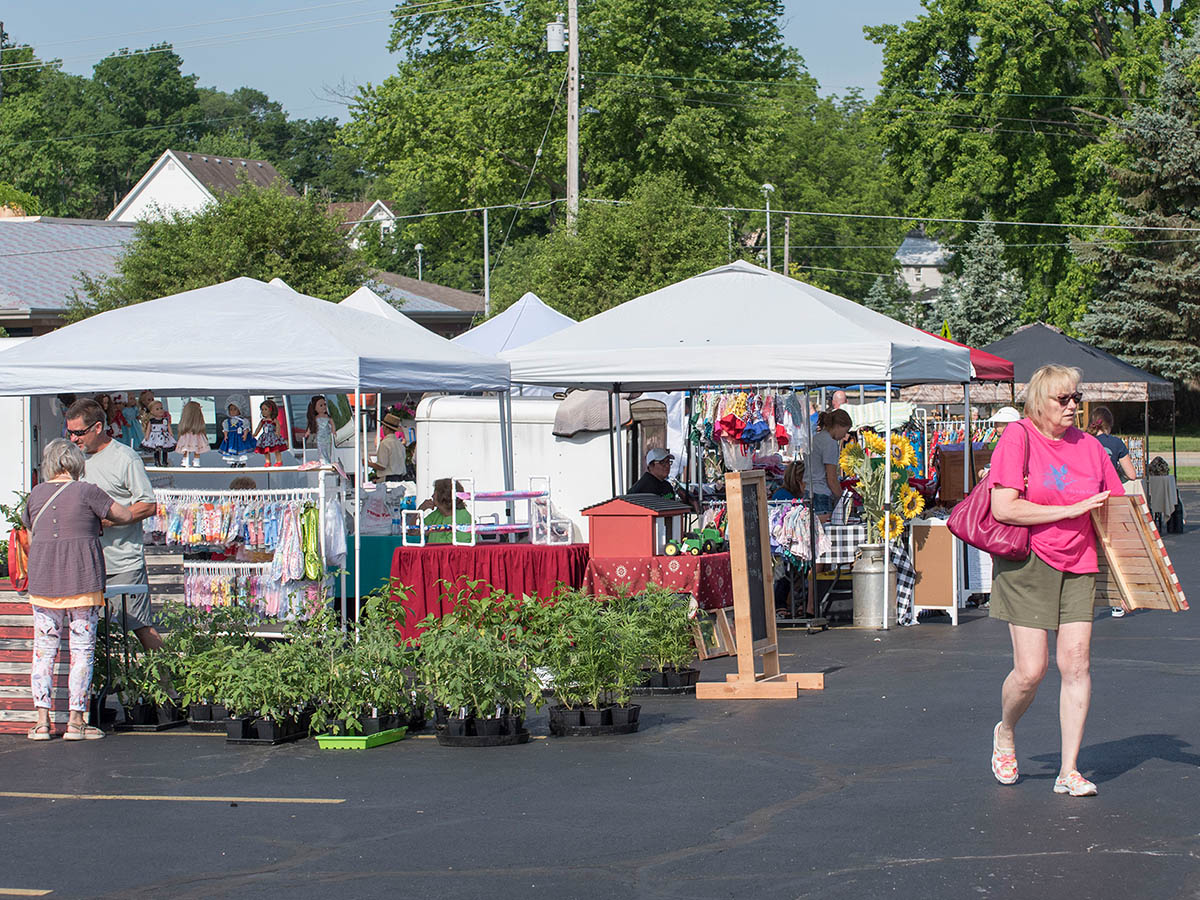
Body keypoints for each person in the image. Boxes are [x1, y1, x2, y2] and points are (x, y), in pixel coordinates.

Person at [987, 364, 1122, 797]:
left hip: (1079, 561)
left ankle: (1069, 770)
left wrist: (1139, 574)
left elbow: (1118, 504)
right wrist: (1068, 511)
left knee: (1077, 663)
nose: (1072, 407)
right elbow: (1004, 507)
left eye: (1076, 399)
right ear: (1038, 401)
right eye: (1062, 399)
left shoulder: (1091, 447)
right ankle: (1005, 731)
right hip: (1028, 562)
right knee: (1031, 671)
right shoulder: (1019, 437)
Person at [24, 439, 135, 740]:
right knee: (82, 652)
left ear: (49, 464)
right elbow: (124, 515)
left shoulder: (36, 494)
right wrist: (99, 519)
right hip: (83, 582)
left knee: (43, 653)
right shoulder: (88, 491)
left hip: (44, 583)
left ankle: (42, 723)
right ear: (76, 463)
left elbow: (31, 527)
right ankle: (76, 722)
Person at [65, 398, 162, 653]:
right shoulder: (74, 459)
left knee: (140, 626)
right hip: (85, 563)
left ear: (98, 427)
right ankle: (97, 687)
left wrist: (109, 519)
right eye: (70, 432)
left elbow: (148, 505)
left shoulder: (124, 458)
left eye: (78, 433)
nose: (73, 439)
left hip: (121, 562)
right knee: (86, 630)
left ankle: (169, 689)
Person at [1086, 405, 1139, 618]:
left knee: (1088, 549)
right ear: (1109, 423)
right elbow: (1132, 475)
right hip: (1110, 500)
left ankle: (1085, 601)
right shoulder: (1116, 443)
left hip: (1087, 499)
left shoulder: (1083, 441)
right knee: (1113, 551)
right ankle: (1118, 601)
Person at [810, 409, 852, 516]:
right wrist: (842, 500)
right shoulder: (830, 443)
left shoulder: (815, 439)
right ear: (838, 426)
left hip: (809, 492)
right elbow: (831, 478)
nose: (845, 436)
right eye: (845, 431)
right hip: (822, 494)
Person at [418, 478, 472, 545]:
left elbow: (460, 548)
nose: (432, 496)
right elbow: (413, 532)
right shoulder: (437, 513)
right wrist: (419, 511)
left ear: (443, 496)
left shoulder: (463, 517)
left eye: (435, 493)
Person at [370, 411, 410, 482]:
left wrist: (369, 464)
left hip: (389, 480)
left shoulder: (385, 443)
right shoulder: (399, 443)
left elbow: (382, 466)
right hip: (400, 478)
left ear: (385, 428)